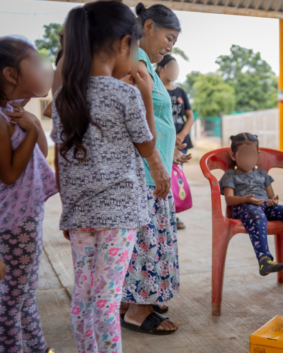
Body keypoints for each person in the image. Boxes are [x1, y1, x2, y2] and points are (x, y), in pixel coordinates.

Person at [51, 3, 156, 352]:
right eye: (138, 46)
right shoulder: (125, 93)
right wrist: (146, 99)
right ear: (125, 43)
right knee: (107, 299)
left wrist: (68, 210)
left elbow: (61, 161)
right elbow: (146, 146)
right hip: (118, 214)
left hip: (80, 212)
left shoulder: (66, 94)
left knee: (83, 293)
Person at [120, 2, 187, 335]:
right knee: (148, 244)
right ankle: (138, 310)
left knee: (144, 243)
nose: (170, 46)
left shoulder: (144, 63)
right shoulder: (135, 62)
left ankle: (130, 304)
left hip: (153, 168)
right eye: (168, 37)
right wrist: (156, 162)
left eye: (174, 41)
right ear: (147, 27)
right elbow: (134, 119)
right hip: (146, 171)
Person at [0, 37, 58, 353]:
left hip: (25, 219)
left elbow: (41, 154)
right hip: (13, 224)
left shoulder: (16, 113)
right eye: (36, 63)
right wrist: (34, 129)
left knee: (24, 291)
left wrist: (34, 124)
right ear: (11, 75)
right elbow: (8, 174)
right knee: (12, 297)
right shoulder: (1, 119)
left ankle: (37, 347)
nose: (45, 68)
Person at [218, 133, 283, 280]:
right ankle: (264, 260)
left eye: (251, 155)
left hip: (265, 207)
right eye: (244, 155)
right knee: (257, 214)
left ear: (257, 155)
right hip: (245, 208)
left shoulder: (262, 174)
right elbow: (229, 200)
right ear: (233, 155)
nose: (248, 159)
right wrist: (246, 199)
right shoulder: (230, 175)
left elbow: (271, 196)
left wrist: (273, 201)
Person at [157, 54, 194, 230]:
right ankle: (162, 212)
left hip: (180, 143)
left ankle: (174, 213)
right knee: (160, 176)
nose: (175, 71)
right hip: (162, 143)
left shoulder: (180, 92)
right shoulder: (154, 89)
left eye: (176, 68)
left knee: (175, 178)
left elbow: (190, 116)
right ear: (160, 69)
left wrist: (182, 135)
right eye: (171, 67)